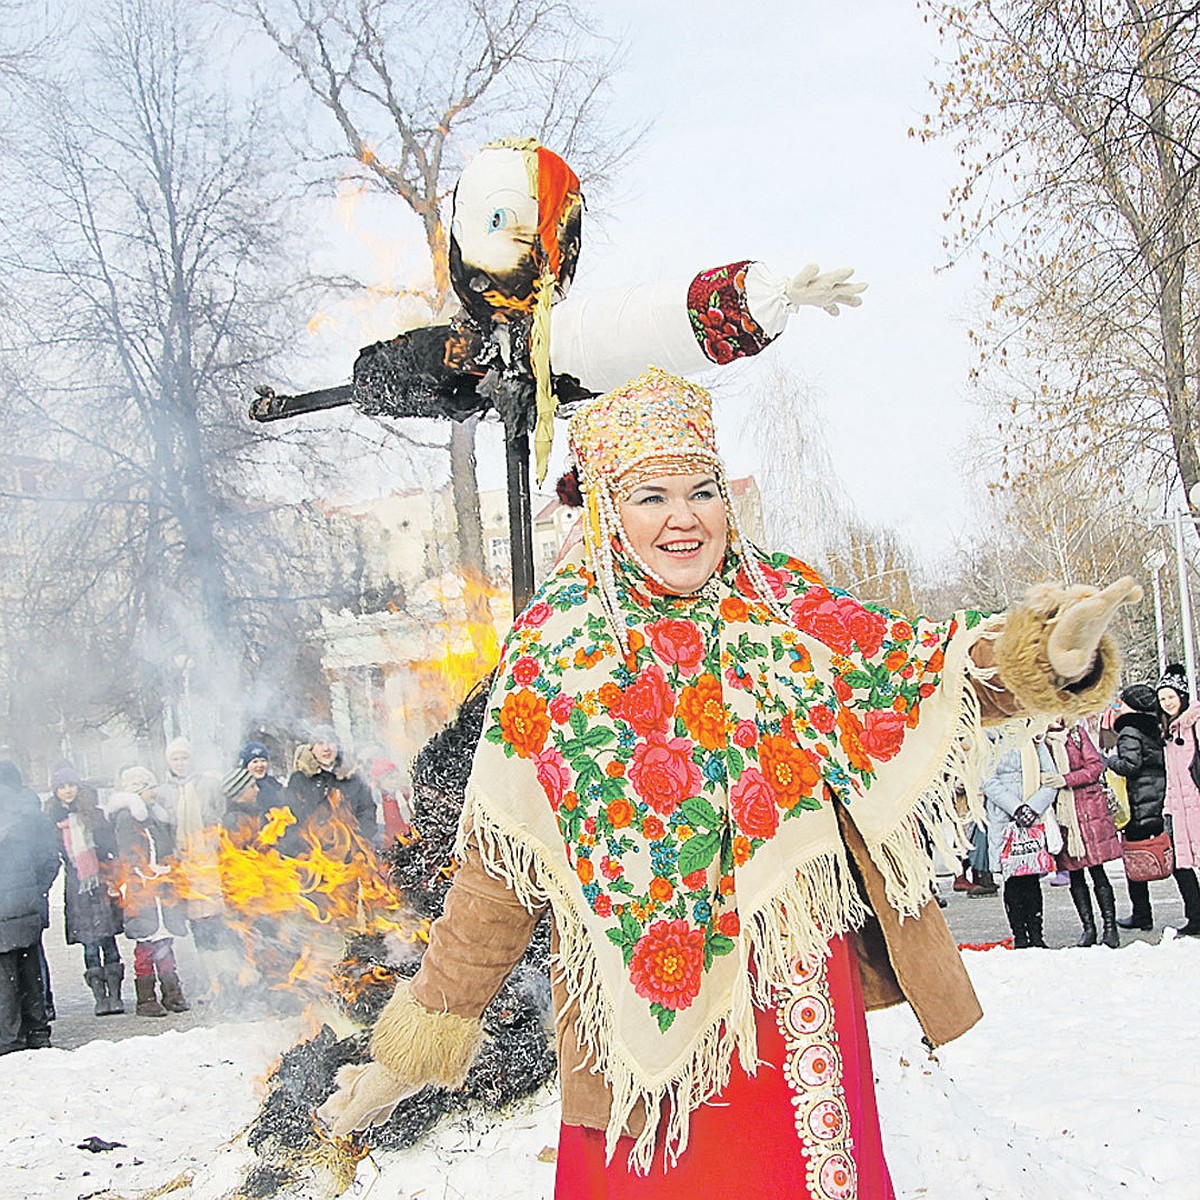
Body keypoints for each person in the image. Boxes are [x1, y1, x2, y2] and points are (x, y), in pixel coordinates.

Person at [317, 369, 1136, 1195]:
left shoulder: (780, 603)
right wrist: (407, 1053)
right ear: (606, 511)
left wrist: (1044, 660)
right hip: (634, 1042)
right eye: (652, 496)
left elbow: (907, 670)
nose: (684, 516)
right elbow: (496, 877)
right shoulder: (555, 651)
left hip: (791, 995)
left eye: (702, 490)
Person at [107, 767, 191, 1017]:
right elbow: (129, 853)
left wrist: (170, 867)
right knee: (146, 946)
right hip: (142, 892)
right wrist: (143, 871)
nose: (154, 792)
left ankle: (172, 993)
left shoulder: (155, 817)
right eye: (149, 788)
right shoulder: (126, 818)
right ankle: (146, 998)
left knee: (165, 942)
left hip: (161, 888)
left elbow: (164, 847)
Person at [44, 766, 127, 1014]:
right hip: (77, 887)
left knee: (108, 939)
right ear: (56, 791)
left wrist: (112, 875)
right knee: (89, 943)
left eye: (71, 785)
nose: (67, 791)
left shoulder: (95, 815)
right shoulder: (52, 821)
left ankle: (115, 995)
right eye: (62, 787)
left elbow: (110, 847)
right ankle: (100, 997)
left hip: (101, 882)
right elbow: (51, 855)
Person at [1044, 716, 1122, 947]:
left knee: (1098, 871)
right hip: (1063, 815)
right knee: (1075, 874)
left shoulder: (1076, 734)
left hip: (1088, 810)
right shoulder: (1040, 741)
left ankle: (1110, 926)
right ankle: (1088, 928)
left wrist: (1065, 779)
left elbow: (1095, 766)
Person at [0, 761, 61, 1053]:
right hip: (28, 908)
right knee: (31, 969)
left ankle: (10, 1039)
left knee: (5, 977)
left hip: (2, 909)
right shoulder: (31, 815)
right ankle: (38, 1032)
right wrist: (36, 892)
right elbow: (51, 858)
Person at [1107, 683, 1177, 931]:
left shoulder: (1129, 730)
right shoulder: (1158, 726)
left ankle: (1142, 915)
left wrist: (1109, 760)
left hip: (1138, 802)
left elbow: (1130, 765)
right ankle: (1193, 909)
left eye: (1122, 701)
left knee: (1135, 862)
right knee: (1172, 856)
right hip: (1159, 799)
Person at [983, 733, 1061, 948]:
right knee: (1012, 878)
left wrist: (1033, 808)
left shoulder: (1033, 737)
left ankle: (1037, 935)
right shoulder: (990, 738)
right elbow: (987, 780)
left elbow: (1050, 777)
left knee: (1031, 878)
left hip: (1033, 816)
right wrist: (1016, 808)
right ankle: (1020, 936)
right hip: (1004, 816)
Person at [1154, 665, 1200, 936]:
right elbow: (1172, 775)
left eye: (1171, 696)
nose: (1167, 702)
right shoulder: (1169, 732)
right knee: (1181, 865)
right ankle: (1195, 916)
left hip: (1196, 802)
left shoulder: (1194, 723)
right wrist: (1168, 808)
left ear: (1182, 695)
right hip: (1179, 808)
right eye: (1163, 699)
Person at [283, 726, 377, 855]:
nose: (326, 748)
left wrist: (361, 837)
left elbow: (367, 809)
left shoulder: (353, 777)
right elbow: (291, 814)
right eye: (320, 743)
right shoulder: (300, 779)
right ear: (312, 749)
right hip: (313, 853)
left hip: (351, 851)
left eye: (330, 742)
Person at [239, 741, 285, 812]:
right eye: (255, 762)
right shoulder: (240, 787)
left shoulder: (274, 784)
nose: (260, 765)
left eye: (263, 761)